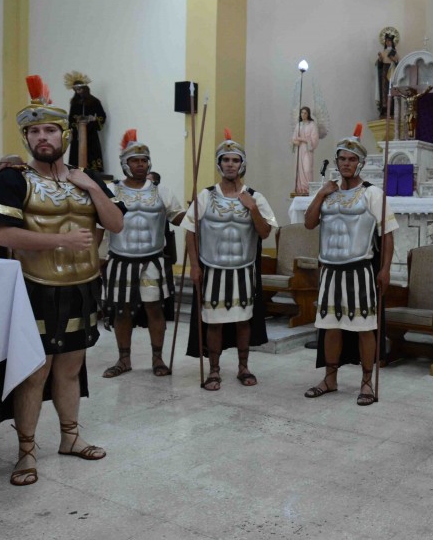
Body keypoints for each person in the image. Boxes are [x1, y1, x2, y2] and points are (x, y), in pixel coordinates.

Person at [0, 75, 125, 486]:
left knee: (71, 368)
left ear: (63, 133)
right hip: (35, 287)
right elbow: (0, 234)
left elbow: (115, 223)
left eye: (49, 130)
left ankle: (70, 437)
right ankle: (26, 452)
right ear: (26, 138)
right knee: (35, 371)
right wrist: (59, 239)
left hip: (83, 286)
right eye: (34, 132)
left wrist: (91, 187)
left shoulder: (90, 180)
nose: (42, 138)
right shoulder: (12, 179)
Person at [303, 124, 396, 406]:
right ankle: (330, 378)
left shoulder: (372, 193)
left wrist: (385, 269)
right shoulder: (327, 193)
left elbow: (388, 233)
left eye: (351, 159)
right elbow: (309, 223)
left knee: (364, 327)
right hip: (330, 268)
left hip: (360, 268)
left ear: (361, 163)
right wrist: (320, 194)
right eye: (342, 158)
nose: (346, 163)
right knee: (330, 326)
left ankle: (366, 381)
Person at [183, 129, 277, 391]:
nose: (230, 164)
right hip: (212, 268)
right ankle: (214, 370)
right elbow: (190, 231)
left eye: (235, 160)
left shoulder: (255, 196)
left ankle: (243, 366)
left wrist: (253, 208)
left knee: (243, 319)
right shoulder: (206, 195)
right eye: (226, 160)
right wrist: (193, 265)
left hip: (243, 269)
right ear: (219, 163)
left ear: (242, 164)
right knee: (213, 321)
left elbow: (265, 232)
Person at [101, 130, 186, 379]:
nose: (140, 164)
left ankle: (157, 358)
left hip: (152, 260)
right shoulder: (110, 191)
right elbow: (99, 226)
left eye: (144, 160)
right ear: (124, 164)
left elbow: (179, 219)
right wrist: (95, 259)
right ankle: (123, 359)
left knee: (154, 310)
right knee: (122, 310)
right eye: (135, 160)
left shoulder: (162, 191)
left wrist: (195, 210)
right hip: (120, 258)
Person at [65, 72, 108, 172]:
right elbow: (71, 118)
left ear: (85, 89)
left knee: (91, 152)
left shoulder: (94, 101)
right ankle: (76, 171)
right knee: (76, 154)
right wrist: (75, 122)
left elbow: (102, 116)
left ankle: (93, 171)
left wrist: (93, 119)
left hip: (90, 133)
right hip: (78, 133)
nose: (78, 92)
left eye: (80, 89)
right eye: (76, 90)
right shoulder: (74, 102)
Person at [292, 106, 320, 196]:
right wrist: (296, 141)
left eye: (305, 113)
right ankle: (300, 188)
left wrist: (303, 139)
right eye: (302, 113)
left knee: (307, 169)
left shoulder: (312, 125)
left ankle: (307, 188)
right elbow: (294, 139)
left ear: (308, 114)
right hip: (299, 150)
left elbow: (314, 140)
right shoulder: (298, 125)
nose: (303, 115)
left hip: (307, 150)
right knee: (299, 170)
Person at [376, 32, 400, 116]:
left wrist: (393, 59)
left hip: (392, 71)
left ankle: (392, 108)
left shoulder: (394, 52)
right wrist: (380, 58)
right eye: (386, 41)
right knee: (384, 89)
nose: (388, 42)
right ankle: (385, 107)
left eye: (389, 41)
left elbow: (397, 63)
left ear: (392, 42)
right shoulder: (383, 52)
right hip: (384, 71)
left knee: (391, 88)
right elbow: (379, 65)